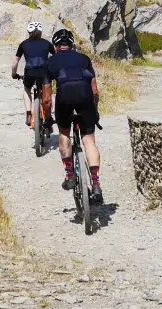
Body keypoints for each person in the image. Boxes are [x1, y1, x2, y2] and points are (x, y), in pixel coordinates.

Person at [46, 28, 103, 204]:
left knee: (64, 133)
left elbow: (47, 99)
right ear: (72, 44)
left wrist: (48, 119)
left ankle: (70, 175)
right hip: (85, 99)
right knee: (89, 141)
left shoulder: (50, 63)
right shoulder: (84, 59)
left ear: (56, 46)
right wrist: (94, 110)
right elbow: (94, 90)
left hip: (64, 99)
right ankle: (95, 183)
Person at [11, 21, 54, 130]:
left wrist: (14, 74)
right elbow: (56, 58)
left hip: (30, 72)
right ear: (41, 32)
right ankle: (49, 117)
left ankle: (29, 113)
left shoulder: (23, 44)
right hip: (44, 72)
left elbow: (15, 62)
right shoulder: (47, 43)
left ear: (29, 32)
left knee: (27, 89)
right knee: (48, 92)